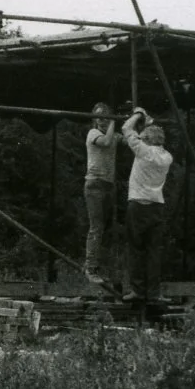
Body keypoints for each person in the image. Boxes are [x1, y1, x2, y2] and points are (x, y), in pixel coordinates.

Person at [122, 107, 174, 307]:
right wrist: (149, 126)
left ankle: (137, 290)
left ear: (146, 140)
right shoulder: (167, 157)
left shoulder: (142, 151)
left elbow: (126, 128)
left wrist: (138, 114)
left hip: (138, 204)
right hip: (156, 206)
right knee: (153, 252)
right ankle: (153, 292)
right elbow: (151, 139)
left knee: (136, 249)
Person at [83, 102, 120, 283]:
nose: (102, 120)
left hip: (108, 185)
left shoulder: (113, 135)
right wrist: (114, 120)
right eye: (99, 117)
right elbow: (105, 142)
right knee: (96, 227)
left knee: (107, 229)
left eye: (106, 117)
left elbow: (132, 141)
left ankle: (102, 268)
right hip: (95, 183)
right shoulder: (93, 133)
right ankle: (90, 268)